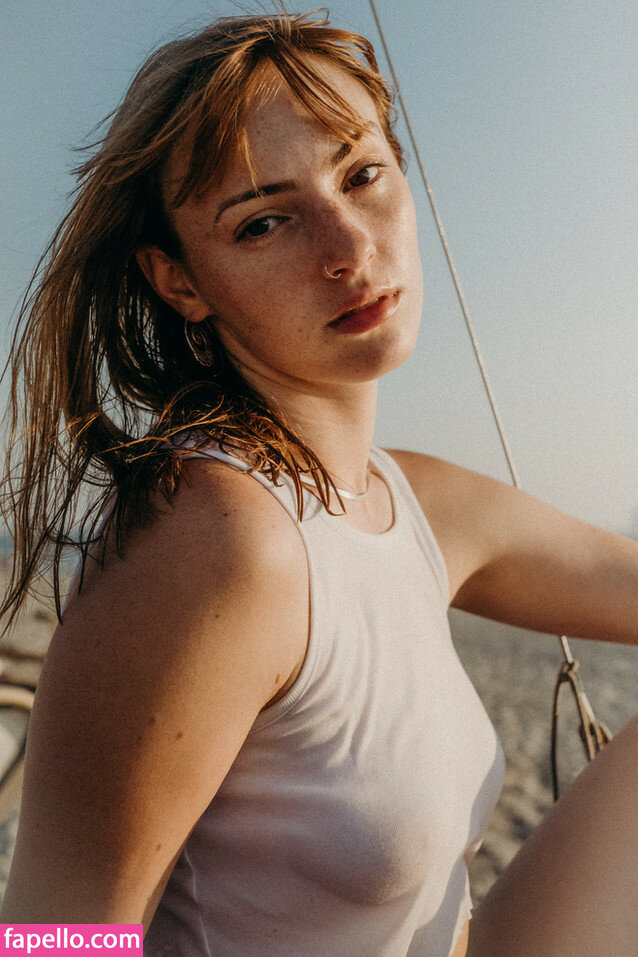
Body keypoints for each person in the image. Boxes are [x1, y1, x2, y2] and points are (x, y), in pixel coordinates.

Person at [1, 10, 637, 956]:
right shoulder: (215, 540)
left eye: (362, 175)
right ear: (179, 281)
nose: (348, 247)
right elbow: (55, 936)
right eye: (264, 222)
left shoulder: (413, 502)